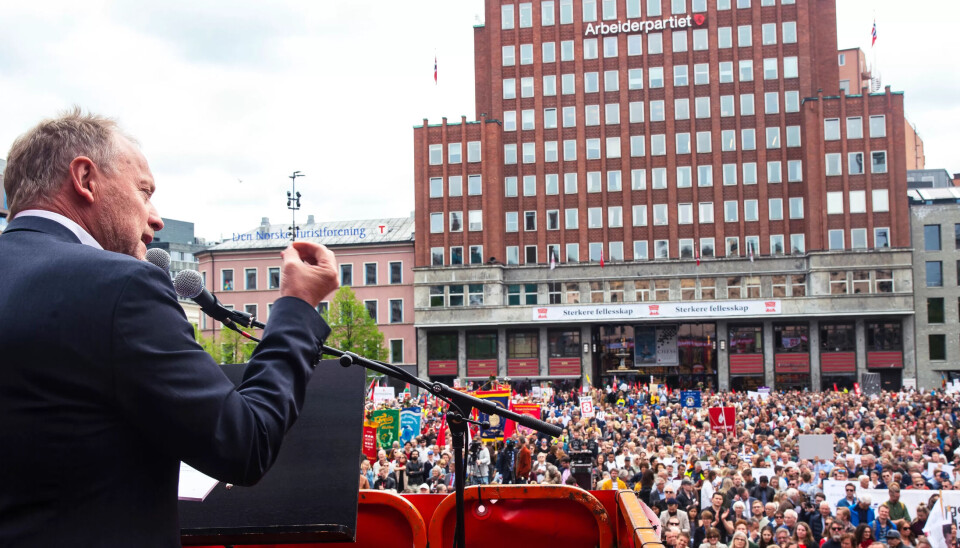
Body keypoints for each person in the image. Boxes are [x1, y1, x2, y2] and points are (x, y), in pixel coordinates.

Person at [0, 110, 339, 546]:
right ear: (85, 178)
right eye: (144, 192)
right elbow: (245, 443)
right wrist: (297, 307)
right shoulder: (120, 285)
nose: (156, 218)